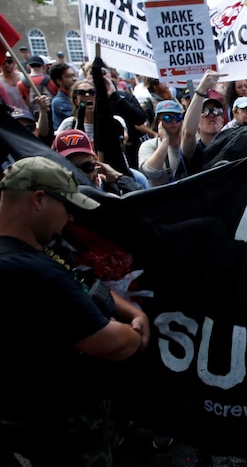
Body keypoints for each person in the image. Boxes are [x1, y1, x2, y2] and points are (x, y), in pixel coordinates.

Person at [0, 156, 149, 465]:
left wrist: (130, 310)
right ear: (39, 199)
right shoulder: (33, 271)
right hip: (55, 432)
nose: (70, 218)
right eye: (66, 206)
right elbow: (113, 343)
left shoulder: (35, 255)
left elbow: (81, 281)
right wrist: (135, 332)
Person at [52, 129, 142, 196]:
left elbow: (145, 204)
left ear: (95, 161)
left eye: (87, 167)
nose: (80, 174)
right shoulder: (52, 196)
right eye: (71, 168)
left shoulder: (112, 188)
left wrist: (118, 178)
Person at [138, 100, 191, 186]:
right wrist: (165, 141)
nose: (174, 122)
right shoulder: (148, 145)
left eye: (177, 117)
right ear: (159, 121)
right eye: (168, 118)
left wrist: (184, 136)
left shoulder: (190, 141)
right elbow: (150, 172)